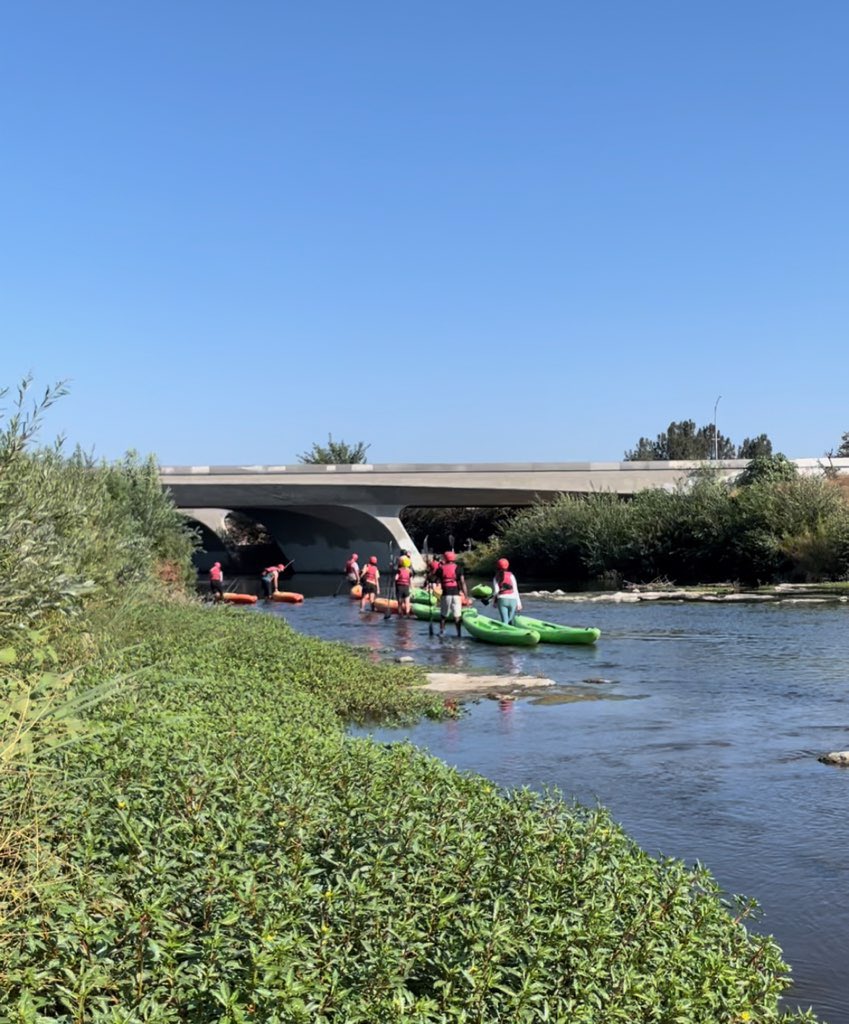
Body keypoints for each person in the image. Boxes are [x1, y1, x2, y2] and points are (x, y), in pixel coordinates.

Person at [435, 551, 468, 637]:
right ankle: (459, 634)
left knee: (443, 615)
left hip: (446, 594)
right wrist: (466, 596)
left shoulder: (440, 568)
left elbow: (436, 580)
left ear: (445, 558)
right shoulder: (459, 568)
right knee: (457, 616)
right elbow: (462, 582)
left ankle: (442, 632)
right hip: (456, 594)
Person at [492, 557, 522, 624]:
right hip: (513, 600)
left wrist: (494, 602)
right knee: (510, 621)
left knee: (505, 622)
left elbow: (496, 591)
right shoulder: (511, 576)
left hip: (502, 600)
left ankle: (504, 629)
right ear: (507, 566)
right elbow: (515, 590)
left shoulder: (496, 577)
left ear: (497, 566)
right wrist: (519, 603)